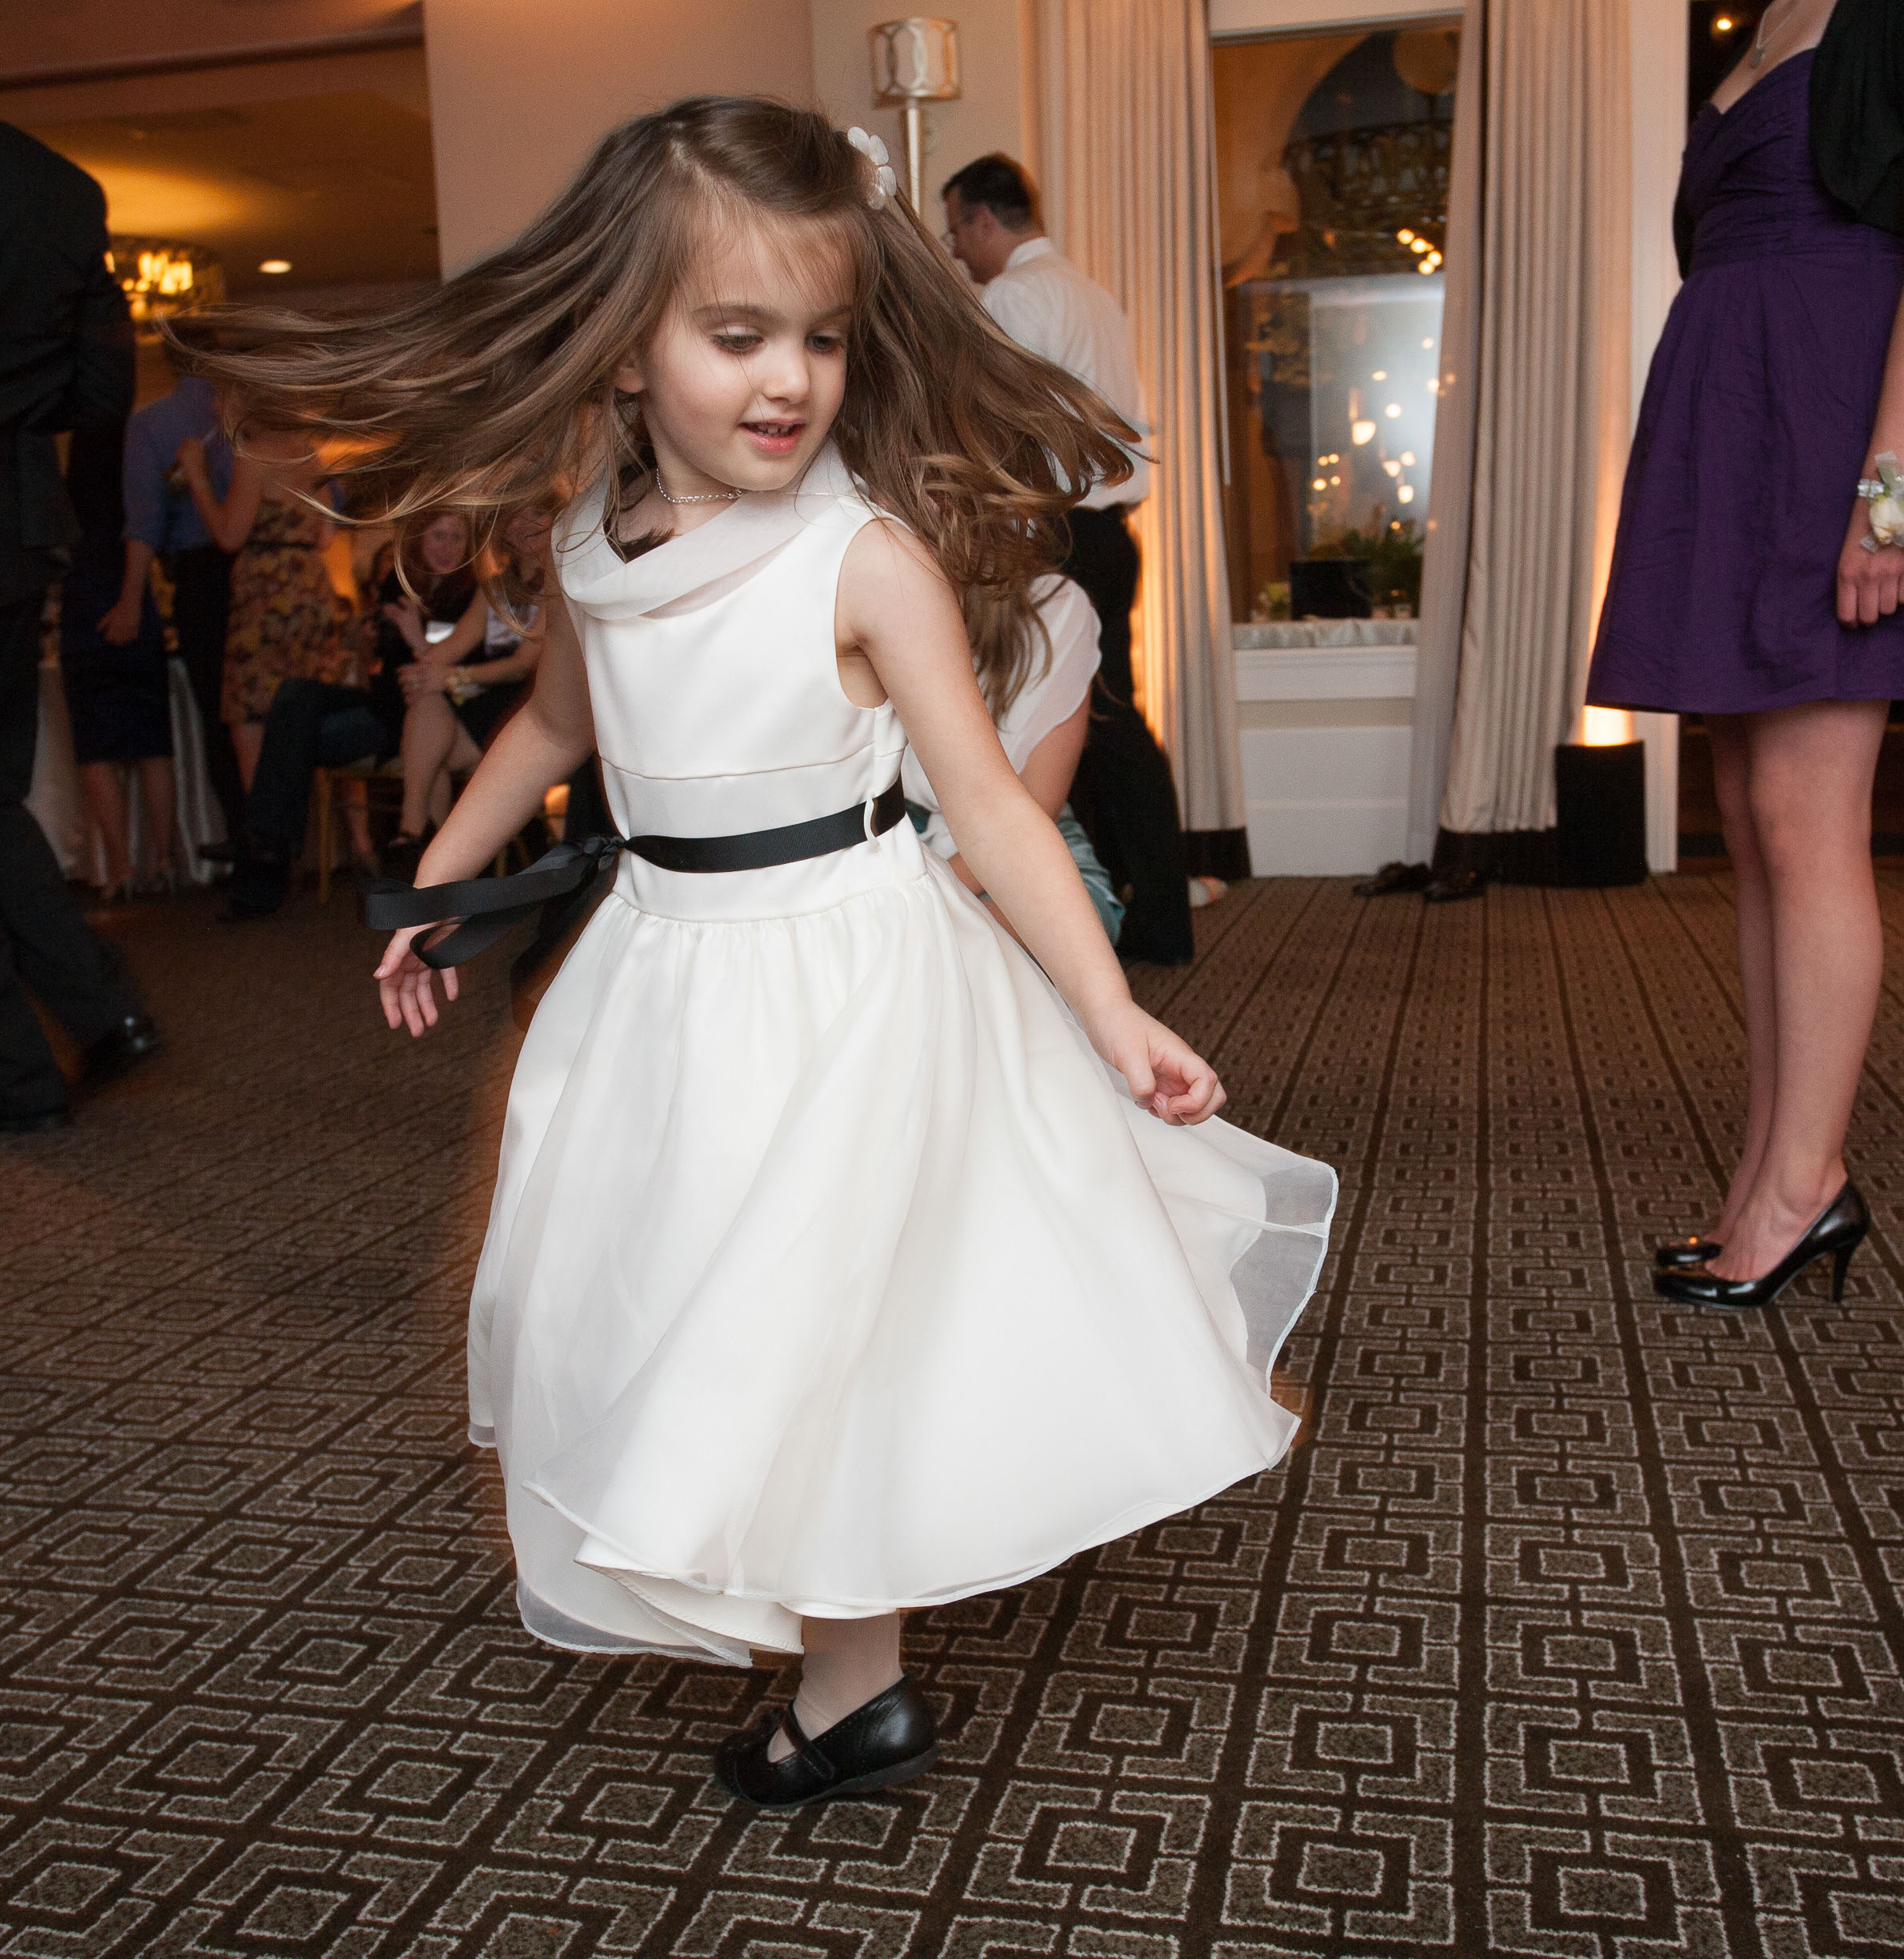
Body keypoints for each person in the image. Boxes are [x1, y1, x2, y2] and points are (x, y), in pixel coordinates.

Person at [195, 98, 1336, 1807]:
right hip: (665, 973)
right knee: (685, 1293)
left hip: (848, 980)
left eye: (817, 335)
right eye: (737, 336)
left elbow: (999, 813)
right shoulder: (590, 539)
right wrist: (428, 875)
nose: (787, 378)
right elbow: (557, 727)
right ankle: (840, 1674)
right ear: (625, 337)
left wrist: (1108, 1013)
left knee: (823, 1324)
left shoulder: (861, 558)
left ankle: (855, 1686)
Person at [1586, 0, 1904, 1307]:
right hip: (1734, 415)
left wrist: (1894, 495)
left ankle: (1803, 1181)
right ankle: (1768, 1170)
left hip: (1830, 421)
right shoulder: (1749, 27)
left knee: (1805, 819)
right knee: (1749, 817)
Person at [942, 152, 1194, 966]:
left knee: (1093, 725)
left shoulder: (1013, 295)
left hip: (1058, 536)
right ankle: (1145, 901)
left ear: (985, 219)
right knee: (1104, 721)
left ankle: (1138, 906)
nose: (954, 250)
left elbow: (988, 420)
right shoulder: (1092, 293)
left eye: (956, 232)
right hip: (1110, 531)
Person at [0, 123, 161, 1133]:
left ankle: (53, 1053)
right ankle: (88, 1026)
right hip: (17, 529)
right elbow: (102, 393)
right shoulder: (61, 188)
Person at [218, 508, 482, 920]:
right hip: (380, 700)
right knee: (293, 695)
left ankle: (264, 855)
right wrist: (365, 648)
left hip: (421, 717)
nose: (447, 548)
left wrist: (415, 635)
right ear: (418, 540)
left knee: (290, 736)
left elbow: (447, 678)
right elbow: (377, 669)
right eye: (438, 537)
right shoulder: (400, 583)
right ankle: (269, 845)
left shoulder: (471, 595)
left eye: (456, 539)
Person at [904, 574, 1126, 944]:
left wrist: (918, 902)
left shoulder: (1053, 608)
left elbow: (1034, 814)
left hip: (1025, 851)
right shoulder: (860, 594)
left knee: (965, 942)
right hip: (891, 846)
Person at [97, 336, 246, 841]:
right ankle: (286, 844)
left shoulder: (153, 423)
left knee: (221, 714)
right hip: (271, 575)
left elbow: (144, 523)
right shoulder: (255, 416)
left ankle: (248, 843)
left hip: (204, 579)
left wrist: (130, 600)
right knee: (273, 711)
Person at [175, 420, 342, 790]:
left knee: (250, 719)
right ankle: (347, 839)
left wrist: (197, 478)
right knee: (307, 715)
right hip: (311, 588)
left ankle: (268, 839)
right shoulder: (308, 451)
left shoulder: (254, 455)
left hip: (266, 596)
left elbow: (230, 535)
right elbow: (327, 534)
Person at [59, 423, 176, 900]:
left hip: (85, 610)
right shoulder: (138, 482)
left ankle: (124, 869)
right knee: (152, 744)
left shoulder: (67, 497)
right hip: (136, 607)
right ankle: (163, 863)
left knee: (97, 750)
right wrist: (132, 599)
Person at [388, 508, 543, 856]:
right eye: (515, 515)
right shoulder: (495, 585)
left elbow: (523, 666)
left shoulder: (561, 584)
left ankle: (434, 852)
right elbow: (458, 642)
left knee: (429, 749)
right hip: (488, 700)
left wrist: (450, 677)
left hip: (535, 706)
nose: (525, 522)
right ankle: (418, 833)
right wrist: (425, 671)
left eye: (540, 512)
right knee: (427, 706)